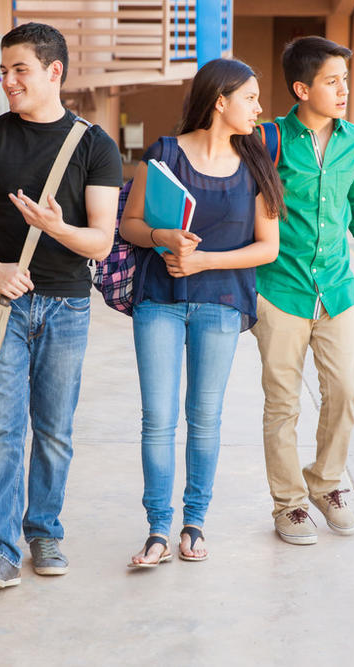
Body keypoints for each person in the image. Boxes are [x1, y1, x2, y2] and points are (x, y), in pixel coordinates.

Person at [0, 22, 122, 590]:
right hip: (1, 306)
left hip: (67, 306)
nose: (8, 81)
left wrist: (57, 227)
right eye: (3, 70)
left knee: (53, 430)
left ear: (54, 72)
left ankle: (44, 529)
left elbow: (101, 240)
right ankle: (0, 549)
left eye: (19, 69)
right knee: (1, 430)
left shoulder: (95, 145)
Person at [120, 58, 281, 567]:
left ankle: (194, 523)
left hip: (221, 304)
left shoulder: (257, 165)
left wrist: (205, 260)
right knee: (158, 419)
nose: (258, 108)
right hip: (159, 303)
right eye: (250, 97)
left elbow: (267, 248)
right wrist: (160, 236)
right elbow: (130, 225)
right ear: (220, 100)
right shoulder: (165, 155)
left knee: (204, 419)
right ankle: (157, 530)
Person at [252, 36, 354, 546]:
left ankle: (325, 482)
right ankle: (289, 504)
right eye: (332, 81)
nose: (344, 90)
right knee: (282, 403)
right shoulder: (267, 139)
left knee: (344, 391)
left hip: (337, 289)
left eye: (346, 79)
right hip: (280, 289)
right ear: (302, 88)